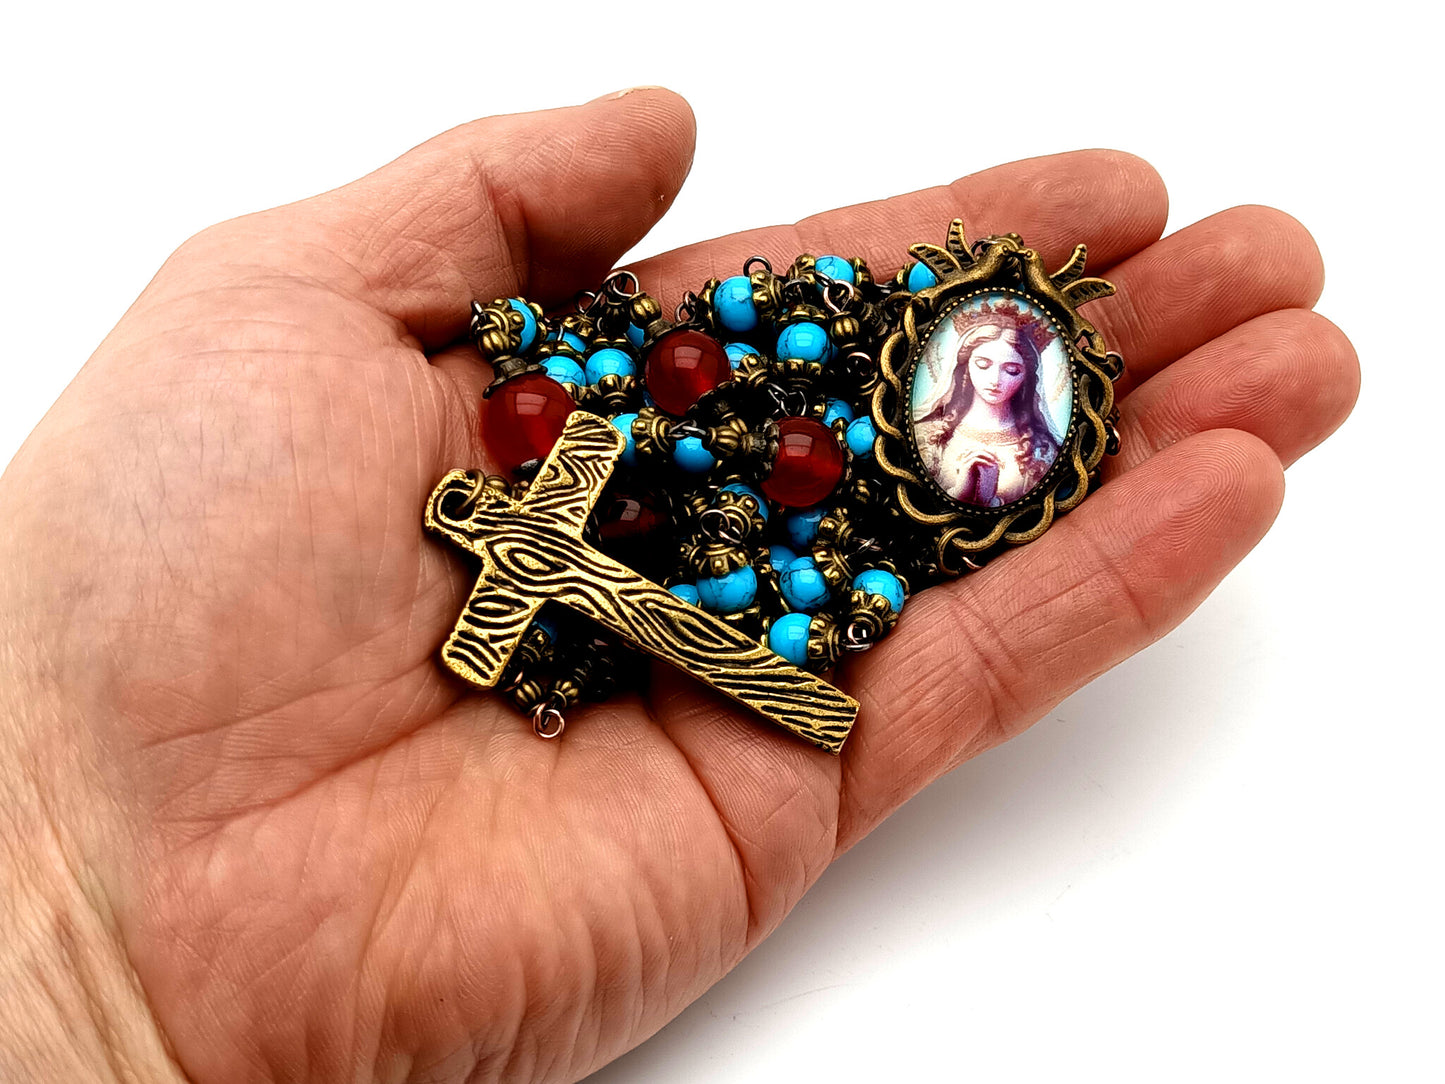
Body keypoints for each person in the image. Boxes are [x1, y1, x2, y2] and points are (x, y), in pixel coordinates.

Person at [0, 88, 1358, 1083]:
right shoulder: (630, 439)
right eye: (990, 363)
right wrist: (49, 838)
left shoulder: (951, 480)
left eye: (1014, 372)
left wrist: (100, 1002)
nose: (1001, 376)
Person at [913, 305, 1064, 505]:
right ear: (966, 367)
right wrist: (960, 493)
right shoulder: (927, 436)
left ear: (1027, 378)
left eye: (1011, 371)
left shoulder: (1042, 450)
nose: (995, 380)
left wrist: (991, 501)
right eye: (983, 365)